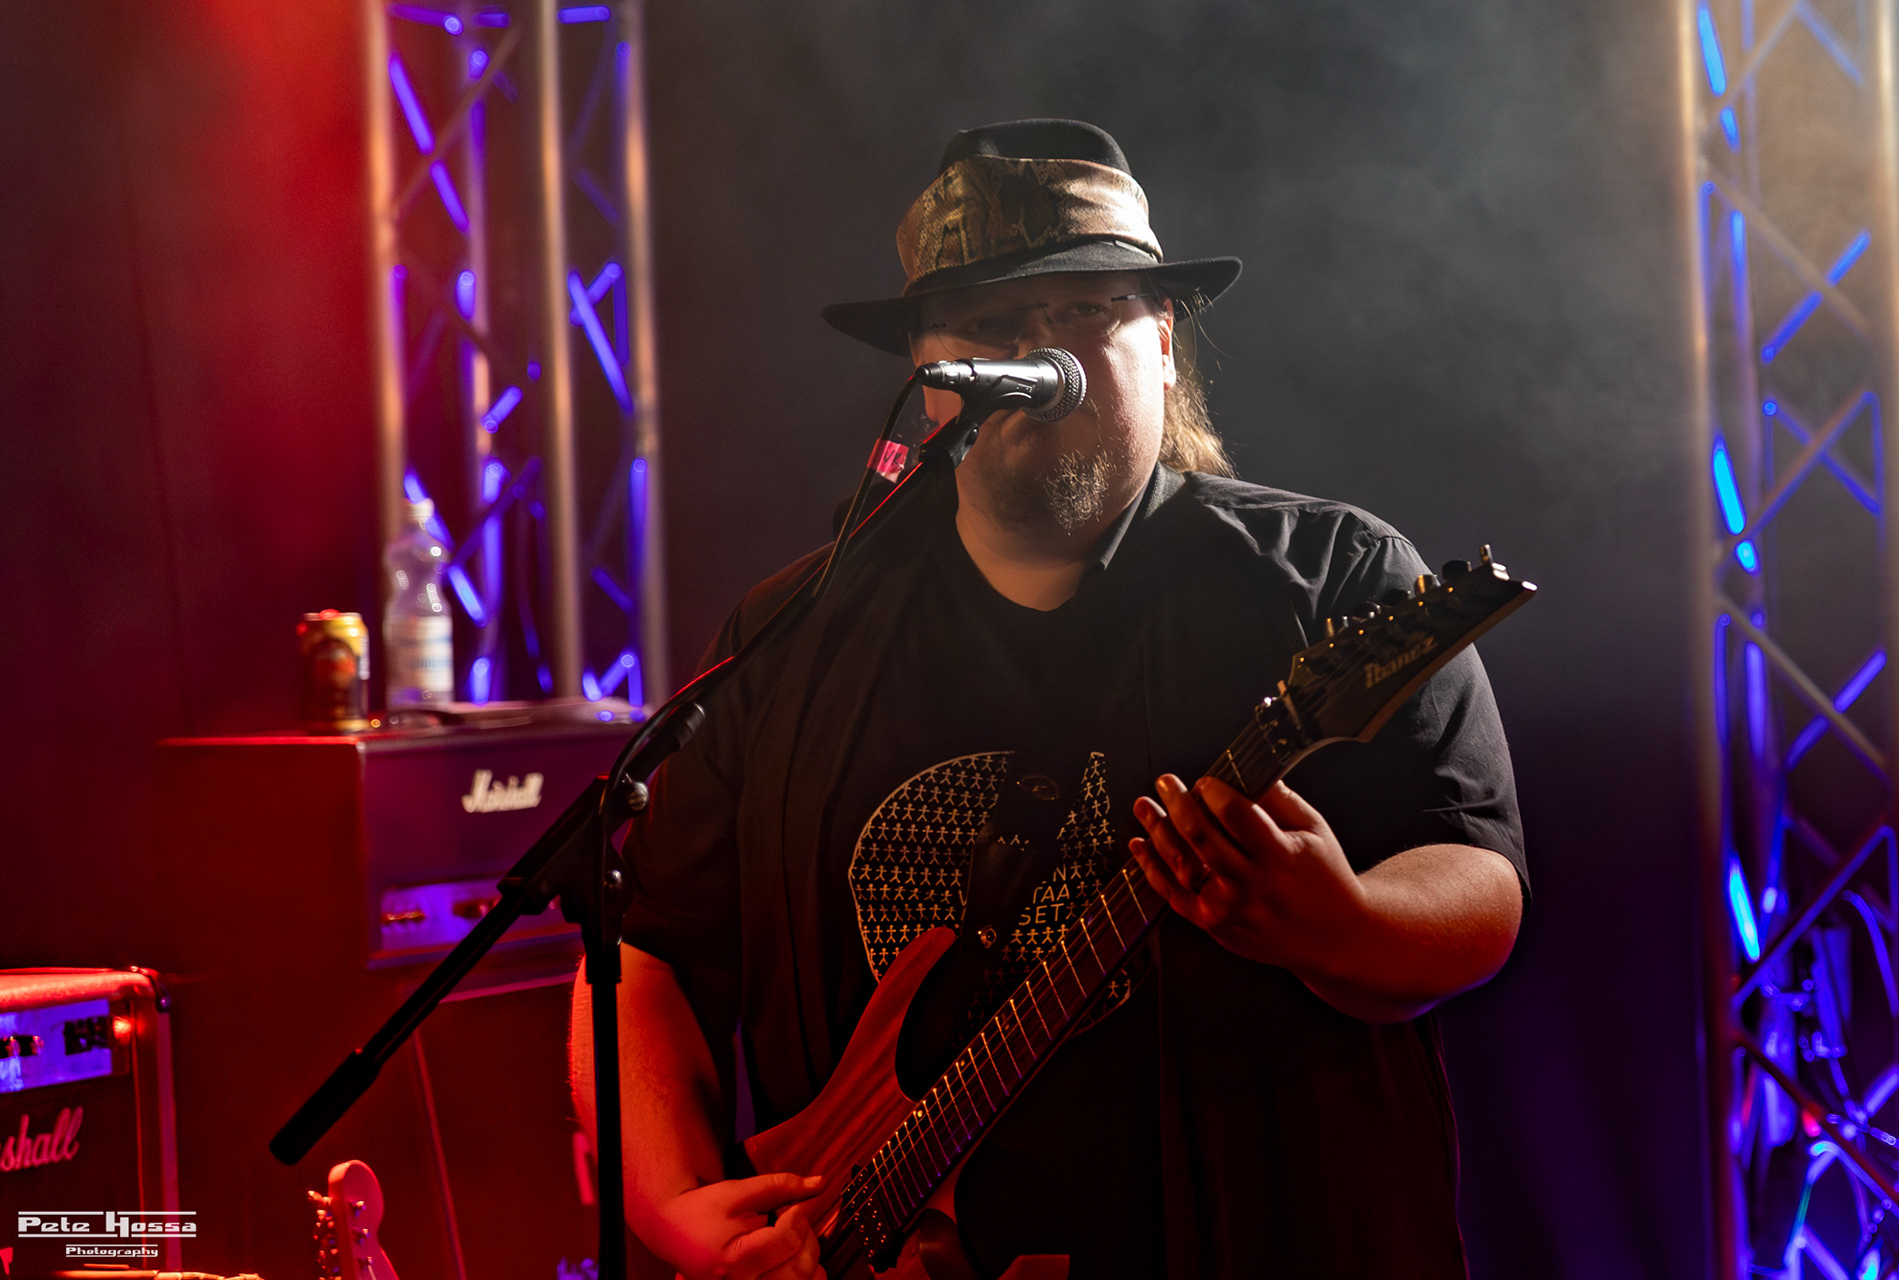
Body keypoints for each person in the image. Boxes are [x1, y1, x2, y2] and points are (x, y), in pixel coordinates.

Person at [571, 118, 1526, 1280]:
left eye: (1082, 309)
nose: (1038, 348)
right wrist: (678, 1204)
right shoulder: (791, 633)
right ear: (931, 377)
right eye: (989, 324)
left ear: (1162, 341)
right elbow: (649, 951)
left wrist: (1343, 922)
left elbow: (1479, 875)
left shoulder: (1332, 575)